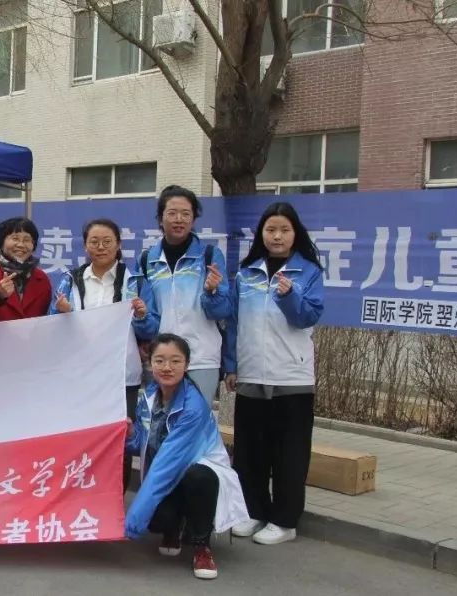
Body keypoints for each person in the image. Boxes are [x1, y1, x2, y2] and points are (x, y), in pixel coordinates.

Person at [223, 202, 325, 546]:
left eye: (284, 230)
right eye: (270, 230)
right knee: (250, 451)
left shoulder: (308, 272)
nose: (277, 236)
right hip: (252, 373)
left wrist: (289, 295)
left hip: (291, 377)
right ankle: (253, 511)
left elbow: (308, 316)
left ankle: (284, 520)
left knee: (289, 453)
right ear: (261, 234)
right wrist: (232, 365)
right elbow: (234, 322)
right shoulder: (247, 273)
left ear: (295, 234)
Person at [125, 334, 248, 581]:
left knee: (198, 476)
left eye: (175, 361)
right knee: (157, 520)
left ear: (187, 365)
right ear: (150, 363)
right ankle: (172, 529)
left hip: (194, 474)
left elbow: (168, 463)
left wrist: (132, 522)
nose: (167, 367)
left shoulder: (193, 406)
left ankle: (202, 545)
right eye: (160, 360)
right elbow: (140, 444)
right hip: (167, 473)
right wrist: (129, 434)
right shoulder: (148, 397)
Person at [49, 218, 146, 491]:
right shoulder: (70, 280)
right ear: (85, 246)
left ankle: (115, 500)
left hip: (122, 375)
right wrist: (61, 312)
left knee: (121, 439)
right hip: (82, 376)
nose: (101, 247)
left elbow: (151, 327)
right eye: (94, 241)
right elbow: (52, 322)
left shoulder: (135, 280)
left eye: (107, 241)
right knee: (83, 438)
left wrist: (142, 315)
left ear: (119, 244)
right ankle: (83, 495)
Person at [133, 185, 232, 404]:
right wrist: (141, 320)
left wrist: (212, 292)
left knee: (196, 421)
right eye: (172, 213)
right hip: (161, 359)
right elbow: (146, 317)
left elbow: (223, 311)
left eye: (186, 214)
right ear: (160, 219)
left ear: (193, 219)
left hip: (201, 358)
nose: (179, 219)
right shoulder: (147, 260)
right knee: (161, 420)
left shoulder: (209, 256)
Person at [0, 217, 51, 322]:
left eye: (26, 240)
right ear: (2, 242)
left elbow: (47, 318)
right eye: (15, 238)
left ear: (33, 245)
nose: (21, 245)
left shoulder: (42, 279)